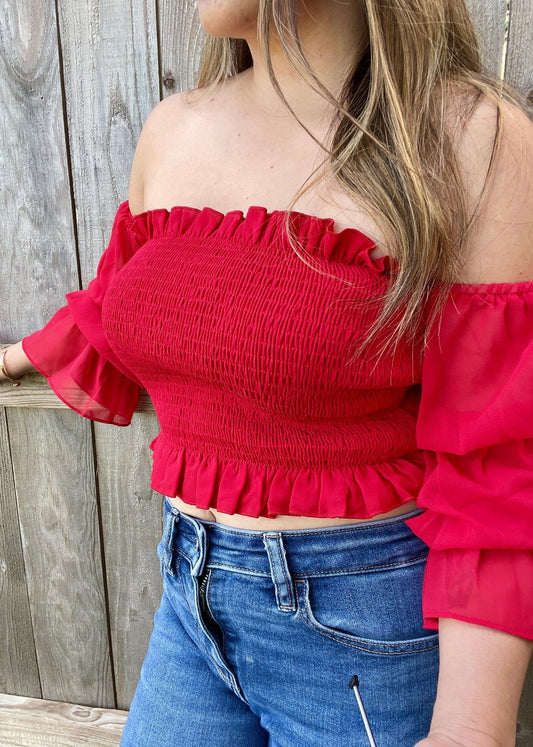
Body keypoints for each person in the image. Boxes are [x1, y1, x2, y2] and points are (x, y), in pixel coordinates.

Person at [2, 0, 532, 744]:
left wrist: (470, 730)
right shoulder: (172, 129)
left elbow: (500, 464)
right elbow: (128, 299)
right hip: (191, 597)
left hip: (361, 628)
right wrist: (16, 354)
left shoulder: (468, 141)